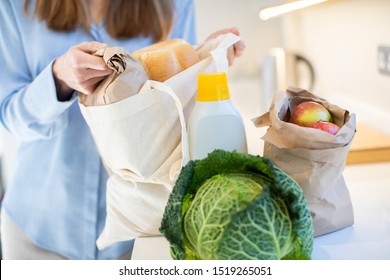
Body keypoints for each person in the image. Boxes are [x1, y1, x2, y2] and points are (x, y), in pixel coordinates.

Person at [0, 0, 245, 260]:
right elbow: (8, 116)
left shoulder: (175, 4)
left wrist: (204, 58)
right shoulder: (14, 6)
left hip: (139, 234)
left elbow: (180, 109)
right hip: (38, 232)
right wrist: (57, 79)